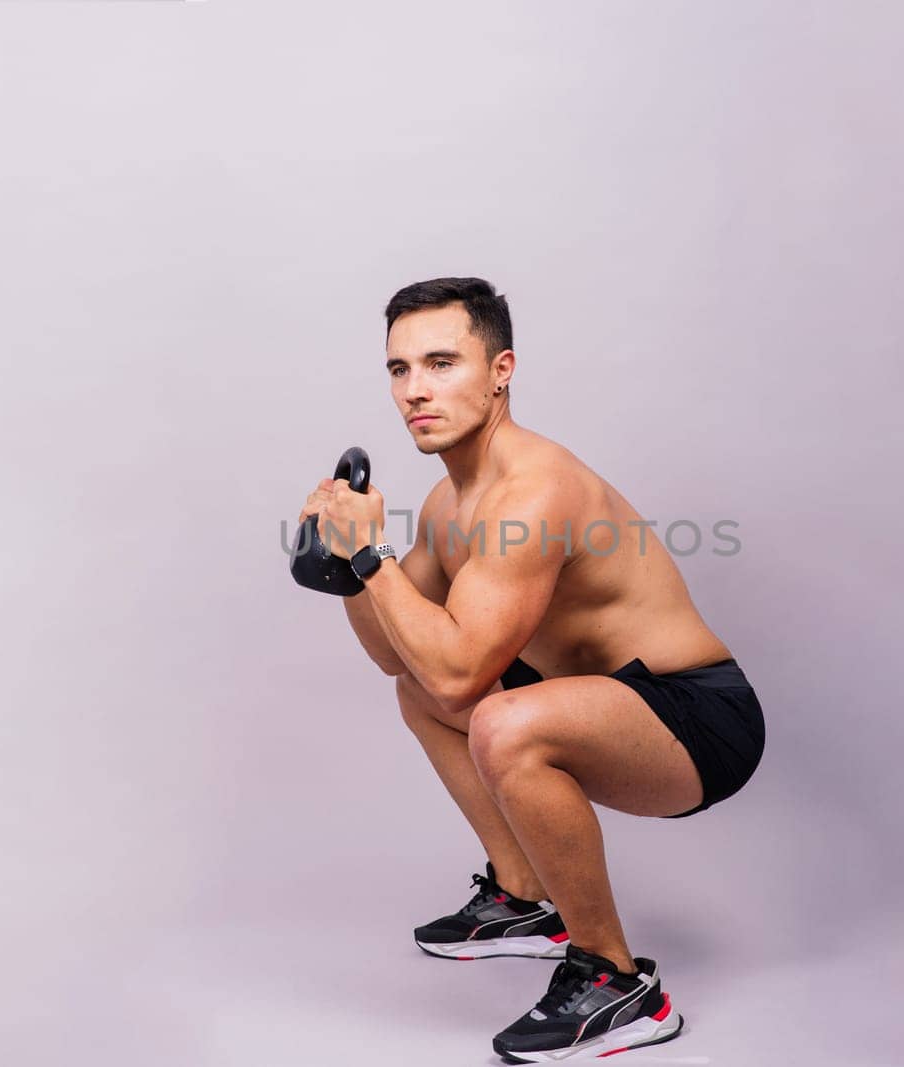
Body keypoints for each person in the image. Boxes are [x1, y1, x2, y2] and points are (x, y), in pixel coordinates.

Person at [296, 277, 765, 1063]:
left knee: (497, 718)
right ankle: (523, 899)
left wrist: (370, 556)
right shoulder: (453, 505)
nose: (416, 390)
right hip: (599, 702)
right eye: (399, 369)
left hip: (698, 721)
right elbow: (401, 658)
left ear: (501, 369)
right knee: (424, 693)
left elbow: (461, 677)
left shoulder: (534, 491)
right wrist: (346, 569)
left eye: (441, 362)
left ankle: (619, 985)